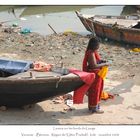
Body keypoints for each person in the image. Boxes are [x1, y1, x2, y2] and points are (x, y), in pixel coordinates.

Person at [82, 37, 109, 114]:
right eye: (97, 45)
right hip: (95, 75)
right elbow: (93, 65)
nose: (98, 46)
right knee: (95, 91)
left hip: (96, 74)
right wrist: (105, 64)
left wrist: (101, 61)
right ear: (94, 45)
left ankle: (92, 107)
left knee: (94, 91)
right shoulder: (91, 53)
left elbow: (96, 62)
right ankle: (94, 108)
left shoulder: (92, 52)